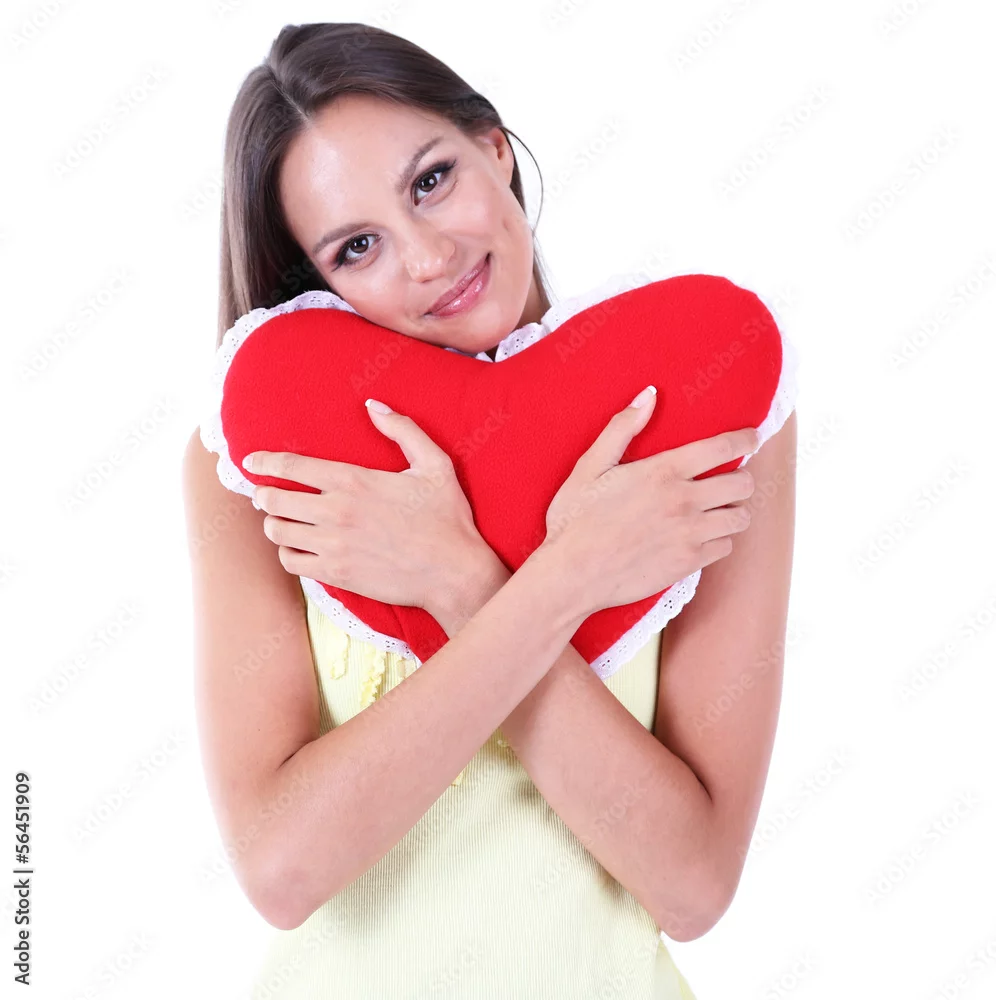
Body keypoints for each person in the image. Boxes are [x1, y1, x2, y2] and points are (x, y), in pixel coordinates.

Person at [181, 21, 796, 999]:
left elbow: (692, 884)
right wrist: (560, 577)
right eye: (358, 246)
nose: (429, 257)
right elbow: (283, 870)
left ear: (494, 148)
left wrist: (466, 584)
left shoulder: (707, 404)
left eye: (431, 181)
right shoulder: (259, 466)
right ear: (314, 282)